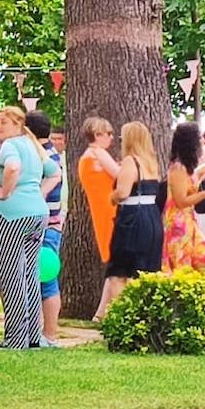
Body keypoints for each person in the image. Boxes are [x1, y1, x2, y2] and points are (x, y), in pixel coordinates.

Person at [0, 108, 54, 349]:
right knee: (30, 276)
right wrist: (37, 192)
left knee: (12, 277)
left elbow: (12, 168)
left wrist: (6, 191)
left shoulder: (11, 146)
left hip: (9, 216)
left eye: (4, 122)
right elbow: (55, 172)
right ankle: (33, 335)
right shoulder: (33, 146)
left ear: (18, 124)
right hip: (36, 214)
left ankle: (15, 338)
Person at [100, 121, 164, 319]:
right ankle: (144, 315)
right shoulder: (151, 162)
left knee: (119, 271)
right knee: (145, 270)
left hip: (132, 217)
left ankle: (123, 315)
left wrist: (112, 197)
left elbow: (123, 191)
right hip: (152, 217)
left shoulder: (131, 161)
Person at [26, 110, 64, 346]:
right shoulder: (48, 153)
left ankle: (50, 334)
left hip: (46, 225)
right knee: (41, 279)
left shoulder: (43, 157)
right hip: (48, 224)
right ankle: (43, 331)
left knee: (46, 279)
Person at [162, 122, 205, 273]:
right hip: (178, 224)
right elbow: (181, 201)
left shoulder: (186, 168)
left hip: (189, 221)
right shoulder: (178, 168)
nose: (201, 142)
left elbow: (192, 182)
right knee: (183, 265)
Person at [78, 117, 119, 320]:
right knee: (117, 262)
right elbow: (118, 174)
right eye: (108, 133)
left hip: (101, 211)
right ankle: (104, 312)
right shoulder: (98, 153)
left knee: (114, 262)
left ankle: (101, 312)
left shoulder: (86, 157)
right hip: (110, 211)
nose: (111, 137)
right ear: (97, 135)